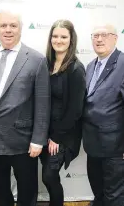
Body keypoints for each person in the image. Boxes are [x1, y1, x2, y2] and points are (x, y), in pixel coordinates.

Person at [0, 10, 50, 206]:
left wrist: (38, 140)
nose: (8, 30)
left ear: (20, 28)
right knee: (0, 191)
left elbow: (43, 103)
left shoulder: (36, 59)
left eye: (13, 26)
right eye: (3, 25)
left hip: (24, 142)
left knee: (27, 193)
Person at [40, 19, 86, 206]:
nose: (58, 40)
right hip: (44, 132)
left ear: (71, 39)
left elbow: (76, 109)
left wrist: (57, 137)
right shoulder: (46, 64)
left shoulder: (76, 69)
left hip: (63, 135)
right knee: (47, 176)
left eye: (63, 37)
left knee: (49, 176)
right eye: (55, 36)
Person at [83, 24, 124, 206]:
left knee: (114, 197)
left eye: (104, 35)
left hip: (115, 147)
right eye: (95, 36)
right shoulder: (90, 66)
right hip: (93, 146)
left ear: (115, 38)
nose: (99, 39)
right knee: (98, 193)